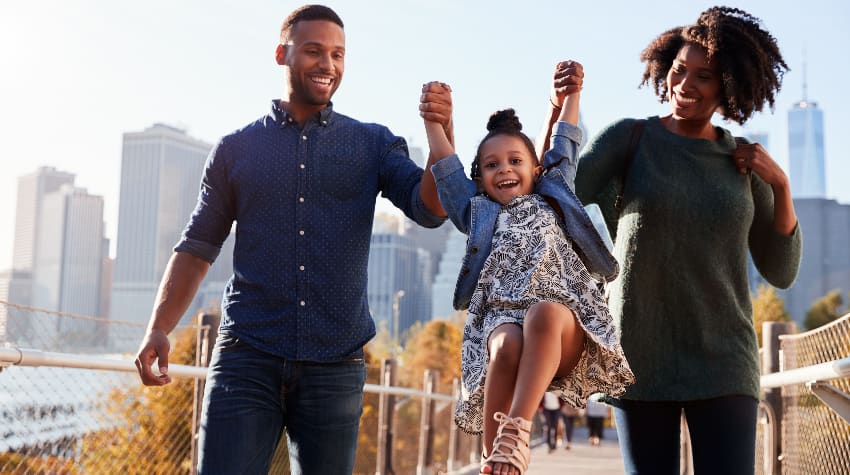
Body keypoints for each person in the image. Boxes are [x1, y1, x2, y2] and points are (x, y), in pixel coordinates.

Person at [133, 5, 452, 474]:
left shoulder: (372, 143)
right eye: (314, 51)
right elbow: (198, 245)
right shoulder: (236, 150)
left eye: (338, 54)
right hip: (247, 357)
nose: (328, 64)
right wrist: (158, 327)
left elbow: (430, 209)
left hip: (336, 365)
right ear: (282, 54)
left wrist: (440, 133)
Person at [538, 7, 802, 475]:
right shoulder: (630, 139)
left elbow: (781, 271)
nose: (686, 84)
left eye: (705, 76)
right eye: (680, 70)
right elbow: (551, 194)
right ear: (666, 70)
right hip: (639, 360)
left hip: (726, 362)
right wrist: (558, 109)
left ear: (729, 87)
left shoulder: (743, 163)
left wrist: (780, 184)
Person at [421, 61, 634, 475]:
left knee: (544, 312)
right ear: (480, 180)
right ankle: (497, 459)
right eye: (492, 165)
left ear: (536, 169)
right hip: (502, 317)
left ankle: (517, 430)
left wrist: (571, 95)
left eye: (515, 161)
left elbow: (566, 141)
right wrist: (433, 122)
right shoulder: (478, 212)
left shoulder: (555, 191)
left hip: (564, 320)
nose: (504, 170)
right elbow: (446, 169)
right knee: (504, 346)